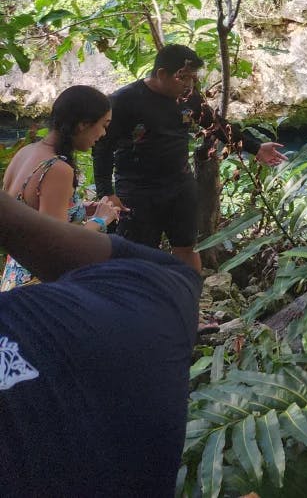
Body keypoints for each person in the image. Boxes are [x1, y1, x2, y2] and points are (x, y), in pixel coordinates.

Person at [0, 187, 200, 496]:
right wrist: (102, 219)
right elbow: (52, 234)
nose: (103, 134)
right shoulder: (141, 309)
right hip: (42, 281)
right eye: (97, 132)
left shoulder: (33, 158)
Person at [93, 44, 286, 272]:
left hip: (179, 186)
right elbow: (101, 148)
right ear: (162, 74)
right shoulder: (124, 101)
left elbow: (217, 126)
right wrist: (107, 193)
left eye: (193, 79)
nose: (189, 85)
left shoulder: (187, 98)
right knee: (136, 255)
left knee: (186, 247)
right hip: (137, 192)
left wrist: (255, 148)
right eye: (183, 78)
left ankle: (190, 300)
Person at [1, 85, 123, 291]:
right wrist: (101, 220)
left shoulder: (26, 153)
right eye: (104, 125)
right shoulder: (57, 169)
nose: (103, 133)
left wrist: (79, 207)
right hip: (39, 286)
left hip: (13, 279)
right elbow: (57, 246)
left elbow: (30, 212)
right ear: (83, 124)